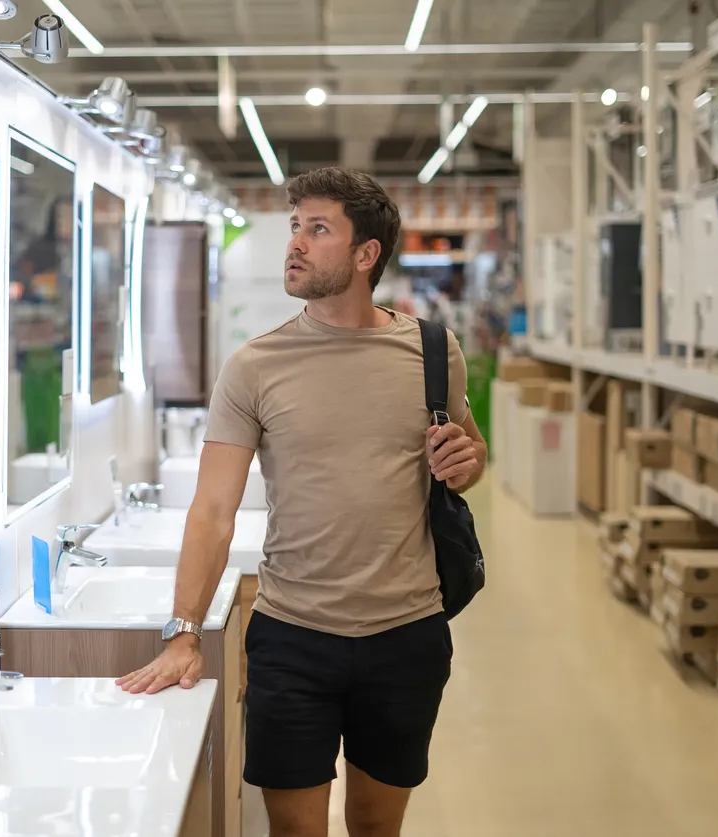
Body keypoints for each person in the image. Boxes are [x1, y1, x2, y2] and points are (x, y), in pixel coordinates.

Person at [117, 168, 487, 837]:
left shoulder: (434, 350)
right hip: (292, 636)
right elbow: (212, 511)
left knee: (375, 826)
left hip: (406, 633)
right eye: (295, 226)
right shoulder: (254, 366)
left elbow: (468, 448)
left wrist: (468, 461)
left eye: (317, 229)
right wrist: (183, 632)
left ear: (365, 253)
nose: (295, 242)